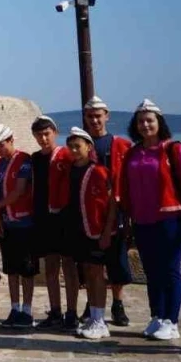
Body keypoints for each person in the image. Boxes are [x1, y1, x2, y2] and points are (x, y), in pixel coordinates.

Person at [118, 99, 181, 341]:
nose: (145, 125)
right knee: (152, 271)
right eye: (141, 121)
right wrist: (127, 217)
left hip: (171, 219)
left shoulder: (173, 149)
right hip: (143, 220)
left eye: (149, 120)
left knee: (170, 269)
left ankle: (171, 320)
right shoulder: (133, 153)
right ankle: (157, 315)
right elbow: (126, 188)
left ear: (159, 122)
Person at [83, 97, 135, 327]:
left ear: (106, 116)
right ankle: (92, 303)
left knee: (116, 261)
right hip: (90, 213)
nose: (94, 120)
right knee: (91, 263)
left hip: (116, 210)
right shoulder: (81, 145)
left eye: (98, 116)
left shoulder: (121, 145)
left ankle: (117, 303)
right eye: (90, 116)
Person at [62, 127, 117, 340]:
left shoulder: (99, 171)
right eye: (71, 146)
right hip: (78, 229)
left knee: (96, 273)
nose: (74, 150)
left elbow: (111, 203)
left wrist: (107, 231)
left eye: (78, 146)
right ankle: (93, 316)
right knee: (87, 272)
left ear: (88, 147)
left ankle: (100, 320)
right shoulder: (70, 170)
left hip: (96, 230)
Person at [29, 115, 79, 330]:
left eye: (46, 134)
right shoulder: (34, 158)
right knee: (50, 267)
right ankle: (55, 311)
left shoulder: (66, 155)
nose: (43, 138)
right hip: (43, 218)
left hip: (64, 217)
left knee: (68, 266)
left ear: (55, 133)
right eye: (39, 135)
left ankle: (72, 313)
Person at [0, 124, 35, 328]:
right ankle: (15, 308)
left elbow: (19, 190)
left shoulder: (24, 160)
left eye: (2, 145)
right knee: (11, 269)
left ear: (11, 140)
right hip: (7, 222)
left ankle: (27, 310)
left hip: (24, 223)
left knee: (26, 269)